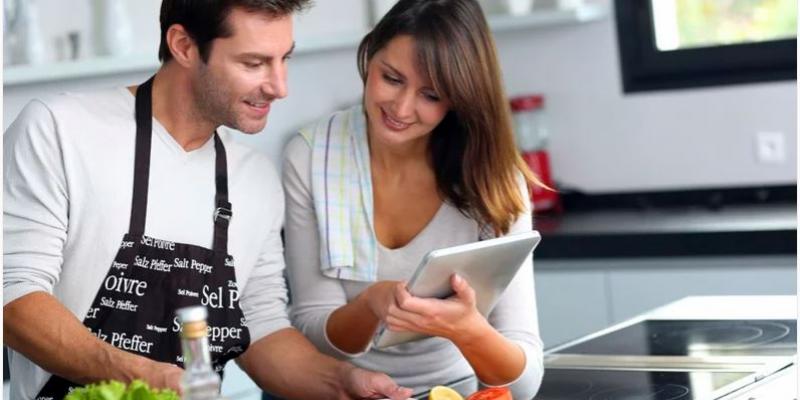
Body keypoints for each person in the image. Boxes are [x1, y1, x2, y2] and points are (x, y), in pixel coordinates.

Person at [2, 1, 413, 399]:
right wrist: (144, 376)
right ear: (183, 45)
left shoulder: (254, 178)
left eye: (283, 58)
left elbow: (263, 330)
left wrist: (342, 382)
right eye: (254, 63)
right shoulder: (61, 130)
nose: (279, 86)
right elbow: (13, 296)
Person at [281, 0, 544, 398]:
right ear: (369, 55)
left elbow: (522, 386)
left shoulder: (493, 178)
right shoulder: (311, 156)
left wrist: (468, 329)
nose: (402, 108)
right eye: (391, 78)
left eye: (431, 95)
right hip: (346, 392)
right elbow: (313, 333)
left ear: (460, 98)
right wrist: (372, 304)